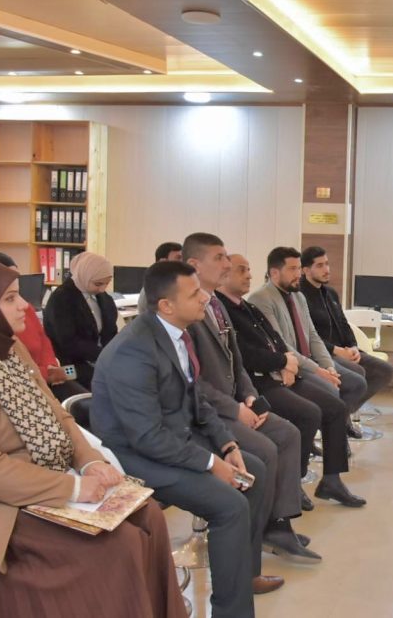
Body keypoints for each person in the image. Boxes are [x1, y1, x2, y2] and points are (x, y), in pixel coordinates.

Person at [0, 259, 187, 618]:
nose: (24, 306)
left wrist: (90, 462)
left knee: (148, 517)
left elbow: (58, 416)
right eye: (10, 298)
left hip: (37, 476)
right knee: (114, 544)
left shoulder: (6, 347)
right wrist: (73, 488)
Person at [91, 261, 282, 617]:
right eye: (194, 294)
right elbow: (146, 437)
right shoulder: (133, 351)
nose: (205, 298)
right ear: (166, 305)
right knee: (230, 505)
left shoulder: (179, 334)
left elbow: (198, 400)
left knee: (252, 471)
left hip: (172, 439)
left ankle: (241, 579)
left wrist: (227, 445)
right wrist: (210, 464)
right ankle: (231, 611)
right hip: (134, 456)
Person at [181, 233, 319, 562]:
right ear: (194, 265)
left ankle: (278, 523)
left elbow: (237, 362)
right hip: (207, 413)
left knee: (288, 433)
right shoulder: (186, 311)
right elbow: (192, 381)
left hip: (236, 403)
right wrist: (234, 408)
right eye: (219, 258)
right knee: (266, 449)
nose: (226, 264)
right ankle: (254, 536)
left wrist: (251, 398)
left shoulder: (217, 305)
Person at [220, 253, 365, 508]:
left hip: (283, 371)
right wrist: (284, 362)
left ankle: (332, 480)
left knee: (335, 407)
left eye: (249, 269)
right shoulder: (233, 308)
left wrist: (289, 362)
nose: (249, 275)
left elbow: (276, 340)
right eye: (242, 270)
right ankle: (293, 482)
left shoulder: (247, 307)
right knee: (309, 414)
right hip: (261, 381)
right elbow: (245, 354)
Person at [249, 247, 370, 431]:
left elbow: (312, 336)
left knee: (353, 382)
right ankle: (333, 429)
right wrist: (319, 371)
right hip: (291, 365)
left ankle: (338, 428)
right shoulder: (261, 298)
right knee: (331, 389)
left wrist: (328, 366)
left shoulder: (298, 296)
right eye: (292, 269)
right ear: (274, 273)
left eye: (299, 268)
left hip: (310, 359)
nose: (298, 274)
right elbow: (281, 345)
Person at [0, 252, 87, 401]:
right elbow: (15, 370)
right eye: (9, 297)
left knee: (87, 399)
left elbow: (43, 339)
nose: (23, 304)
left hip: (46, 376)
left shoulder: (26, 308)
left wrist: (50, 365)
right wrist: (46, 374)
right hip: (30, 383)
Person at [299, 246, 393, 411]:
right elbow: (307, 335)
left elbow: (343, 323)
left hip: (344, 350)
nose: (326, 269)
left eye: (327, 264)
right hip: (323, 353)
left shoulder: (330, 293)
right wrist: (336, 350)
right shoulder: (300, 296)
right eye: (320, 265)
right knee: (358, 373)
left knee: (385, 371)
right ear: (306, 270)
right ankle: (339, 415)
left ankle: (343, 412)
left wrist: (353, 346)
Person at [42, 251, 118, 389]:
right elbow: (69, 343)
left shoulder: (103, 298)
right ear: (85, 276)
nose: (102, 289)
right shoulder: (61, 299)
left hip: (98, 361)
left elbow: (111, 332)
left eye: (106, 284)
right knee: (103, 386)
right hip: (68, 366)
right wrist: (102, 355)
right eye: (98, 284)